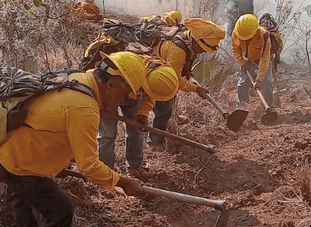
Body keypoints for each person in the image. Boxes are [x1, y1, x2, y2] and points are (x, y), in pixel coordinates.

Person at [0, 51, 149, 227]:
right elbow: (89, 166)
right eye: (125, 94)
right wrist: (122, 182)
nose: (124, 101)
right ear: (111, 83)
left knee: (23, 195)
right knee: (60, 209)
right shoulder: (84, 108)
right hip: (17, 161)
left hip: (5, 152)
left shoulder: (79, 79)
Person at [97, 52, 180, 177]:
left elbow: (150, 95)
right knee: (107, 134)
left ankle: (135, 167)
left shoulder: (157, 78)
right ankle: (105, 173)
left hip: (134, 97)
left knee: (136, 131)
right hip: (112, 91)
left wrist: (142, 113)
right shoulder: (138, 70)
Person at [147, 17, 226, 148]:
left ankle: (173, 119)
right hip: (156, 73)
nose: (202, 52)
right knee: (164, 107)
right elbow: (174, 81)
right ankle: (154, 141)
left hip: (167, 70)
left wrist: (188, 72)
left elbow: (186, 60)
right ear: (197, 42)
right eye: (202, 49)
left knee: (172, 98)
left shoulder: (189, 40)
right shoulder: (178, 50)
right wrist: (195, 89)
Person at [231, 13, 273, 107]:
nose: (245, 40)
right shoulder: (237, 35)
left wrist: (258, 80)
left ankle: (267, 106)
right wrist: (241, 63)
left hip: (261, 60)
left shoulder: (264, 36)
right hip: (248, 60)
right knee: (242, 83)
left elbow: (265, 59)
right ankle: (243, 106)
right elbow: (236, 49)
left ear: (255, 32)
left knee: (267, 82)